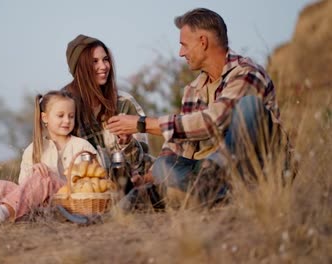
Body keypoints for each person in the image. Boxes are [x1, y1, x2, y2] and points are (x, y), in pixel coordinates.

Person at [107, 8, 294, 206]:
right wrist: (146, 177)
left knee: (250, 106)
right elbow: (176, 146)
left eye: (184, 45)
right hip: (207, 176)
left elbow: (213, 121)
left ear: (203, 42)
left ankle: (209, 183)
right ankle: (214, 191)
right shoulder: (192, 91)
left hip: (256, 170)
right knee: (163, 165)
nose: (181, 53)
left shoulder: (247, 73)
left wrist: (142, 124)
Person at [0, 90, 98, 232]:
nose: (67, 121)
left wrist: (56, 177)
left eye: (71, 116)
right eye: (60, 115)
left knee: (46, 177)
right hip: (40, 206)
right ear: (45, 117)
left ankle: (0, 213)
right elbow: (22, 187)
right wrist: (34, 172)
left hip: (70, 201)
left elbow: (97, 180)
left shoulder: (82, 146)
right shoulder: (34, 149)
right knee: (1, 185)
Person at [62, 34, 162, 208]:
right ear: (80, 68)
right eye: (94, 62)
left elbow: (142, 162)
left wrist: (127, 143)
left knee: (165, 170)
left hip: (124, 186)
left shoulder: (124, 103)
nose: (103, 66)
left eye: (105, 59)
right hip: (78, 189)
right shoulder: (63, 107)